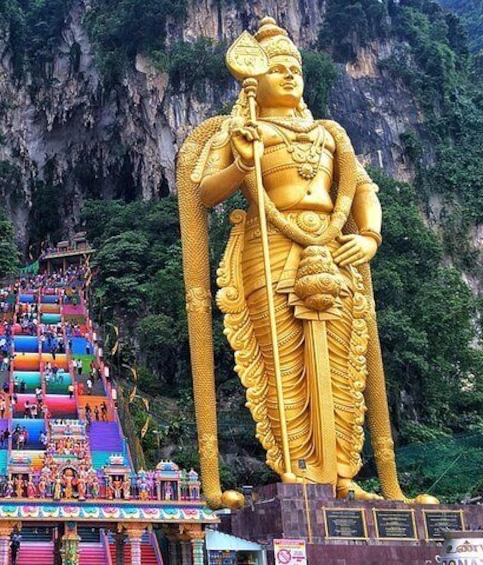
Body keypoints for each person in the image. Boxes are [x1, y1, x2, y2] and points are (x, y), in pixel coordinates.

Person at [177, 16, 412, 503]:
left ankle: (345, 475)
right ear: (253, 80)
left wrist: (369, 234)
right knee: (282, 364)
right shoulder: (243, 129)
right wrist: (242, 162)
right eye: (277, 67)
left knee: (345, 363)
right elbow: (203, 192)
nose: (289, 75)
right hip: (270, 250)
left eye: (295, 68)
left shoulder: (330, 134)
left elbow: (363, 189)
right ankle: (299, 471)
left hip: (333, 250)